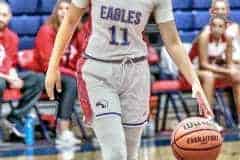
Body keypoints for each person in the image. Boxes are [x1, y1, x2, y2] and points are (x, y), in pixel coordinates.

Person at [45, 0, 213, 160]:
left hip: (136, 74)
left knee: (130, 154)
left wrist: (195, 82)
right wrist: (53, 66)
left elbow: (173, 41)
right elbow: (70, 21)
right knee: (116, 154)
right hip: (99, 71)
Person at [34, 0, 90, 146]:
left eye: (68, 8)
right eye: (61, 8)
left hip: (67, 77)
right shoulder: (46, 31)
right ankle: (63, 131)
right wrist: (75, 75)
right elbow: (48, 65)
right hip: (44, 77)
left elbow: (82, 59)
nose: (64, 11)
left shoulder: (78, 31)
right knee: (72, 82)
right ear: (55, 12)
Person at [0, 0, 43, 137]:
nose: (1, 18)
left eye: (4, 15)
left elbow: (11, 63)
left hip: (5, 75)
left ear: (10, 17)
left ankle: (13, 119)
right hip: (1, 79)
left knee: (37, 79)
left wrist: (15, 77)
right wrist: (9, 78)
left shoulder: (12, 37)